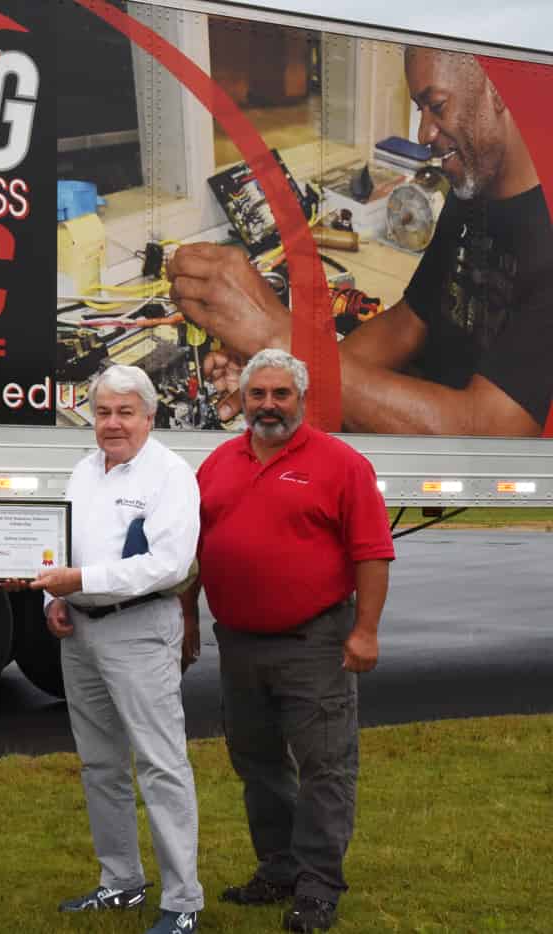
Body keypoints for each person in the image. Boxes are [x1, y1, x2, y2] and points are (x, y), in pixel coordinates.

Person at [167, 48, 552, 436]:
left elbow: (489, 433)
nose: (423, 134)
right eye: (421, 110)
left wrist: (282, 338)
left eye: (436, 106)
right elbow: (409, 322)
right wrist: (293, 379)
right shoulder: (472, 189)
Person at [184, 349, 394, 933]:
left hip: (316, 640)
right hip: (239, 642)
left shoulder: (340, 462)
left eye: (281, 394)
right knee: (257, 761)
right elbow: (194, 551)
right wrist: (189, 618)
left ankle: (318, 885)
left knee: (325, 764)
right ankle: (277, 868)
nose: (269, 405)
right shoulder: (219, 462)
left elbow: (373, 553)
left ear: (301, 400)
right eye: (258, 394)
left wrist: (366, 630)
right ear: (243, 400)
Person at [27, 364, 204, 934]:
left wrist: (81, 582)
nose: (112, 423)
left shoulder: (171, 476)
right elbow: (61, 549)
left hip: (140, 629)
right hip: (80, 631)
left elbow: (168, 565)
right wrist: (53, 601)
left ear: (149, 417)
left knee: (160, 764)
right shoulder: (84, 471)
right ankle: (121, 883)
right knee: (100, 763)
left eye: (126, 412)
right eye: (103, 412)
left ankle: (182, 902)